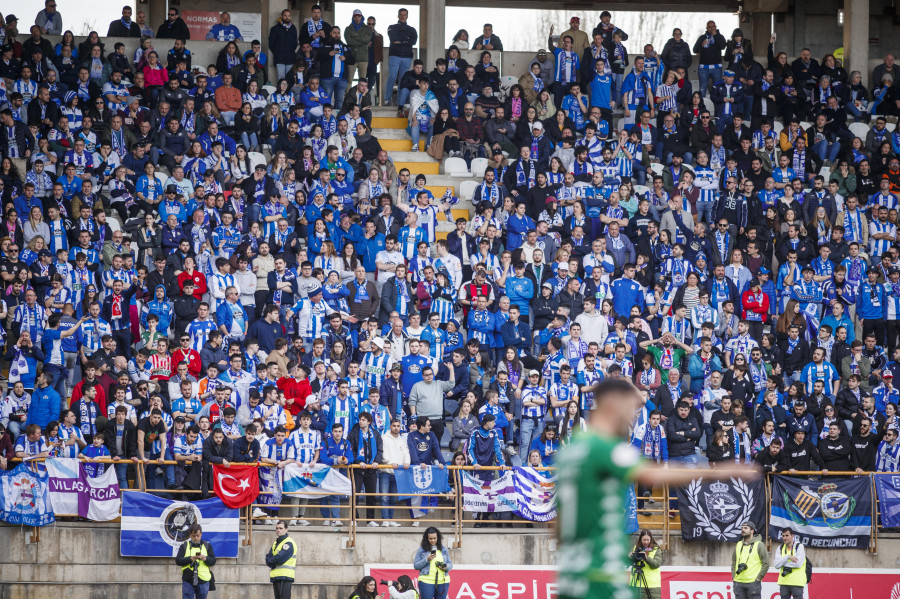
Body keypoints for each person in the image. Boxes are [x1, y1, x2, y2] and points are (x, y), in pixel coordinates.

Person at [557, 379, 756, 599]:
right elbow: (652, 473)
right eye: (630, 408)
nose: (633, 415)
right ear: (612, 405)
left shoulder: (574, 448)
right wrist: (723, 472)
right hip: (598, 575)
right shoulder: (602, 447)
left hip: (573, 573)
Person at [174, 523, 216, 599]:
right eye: (193, 536)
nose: (196, 538)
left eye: (198, 535)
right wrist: (190, 559)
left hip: (203, 579)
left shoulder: (207, 545)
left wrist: (205, 558)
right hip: (188, 579)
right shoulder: (184, 545)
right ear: (190, 535)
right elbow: (178, 561)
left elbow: (213, 561)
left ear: (201, 534)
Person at [731, 521, 769, 599]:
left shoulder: (759, 545)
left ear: (752, 531)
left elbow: (766, 563)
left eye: (745, 528)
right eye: (742, 528)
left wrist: (758, 578)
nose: (743, 530)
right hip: (738, 582)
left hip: (753, 583)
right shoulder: (738, 544)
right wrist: (734, 576)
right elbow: (734, 561)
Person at [413, 527, 453, 599]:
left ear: (438, 537)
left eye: (434, 538)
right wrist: (426, 560)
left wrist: (445, 567)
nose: (433, 540)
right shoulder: (422, 549)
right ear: (426, 538)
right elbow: (416, 566)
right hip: (426, 581)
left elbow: (450, 564)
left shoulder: (444, 549)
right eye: (430, 538)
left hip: (442, 581)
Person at [773, 528, 808, 599]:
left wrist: (782, 563)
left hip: (797, 582)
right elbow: (776, 565)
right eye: (783, 536)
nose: (784, 538)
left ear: (792, 536)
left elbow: (798, 564)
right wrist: (787, 557)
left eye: (787, 535)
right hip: (784, 582)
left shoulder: (799, 546)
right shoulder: (780, 548)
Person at [266, 520, 297, 599]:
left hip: (285, 576)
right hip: (276, 576)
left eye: (280, 528)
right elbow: (268, 558)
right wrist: (271, 560)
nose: (278, 530)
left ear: (286, 529)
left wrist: (271, 560)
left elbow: (279, 559)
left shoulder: (289, 543)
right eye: (277, 528)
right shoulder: (276, 543)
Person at [628, 529, 663, 599]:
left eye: (648, 540)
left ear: (651, 539)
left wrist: (646, 558)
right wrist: (630, 556)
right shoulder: (636, 548)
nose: (646, 542)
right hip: (637, 582)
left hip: (652, 585)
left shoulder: (656, 549)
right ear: (640, 539)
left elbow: (656, 564)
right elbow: (631, 562)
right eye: (644, 540)